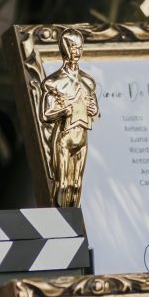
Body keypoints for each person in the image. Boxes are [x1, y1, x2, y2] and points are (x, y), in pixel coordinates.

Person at [40, 28, 99, 207]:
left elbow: (95, 110)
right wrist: (63, 111)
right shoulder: (53, 82)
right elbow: (45, 114)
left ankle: (73, 228)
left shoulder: (88, 82)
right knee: (63, 184)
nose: (77, 52)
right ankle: (60, 227)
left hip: (82, 137)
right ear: (65, 48)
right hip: (64, 138)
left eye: (79, 48)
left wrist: (93, 108)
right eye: (73, 47)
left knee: (76, 185)